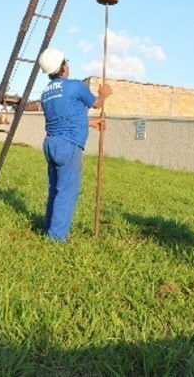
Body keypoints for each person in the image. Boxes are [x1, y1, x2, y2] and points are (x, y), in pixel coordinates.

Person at [37, 47, 112, 241]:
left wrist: (89, 123)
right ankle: (56, 238)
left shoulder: (46, 93)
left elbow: (63, 117)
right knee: (66, 193)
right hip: (69, 145)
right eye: (65, 61)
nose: (67, 64)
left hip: (51, 144)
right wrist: (104, 94)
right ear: (62, 67)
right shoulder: (75, 86)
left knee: (55, 190)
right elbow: (96, 103)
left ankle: (49, 229)